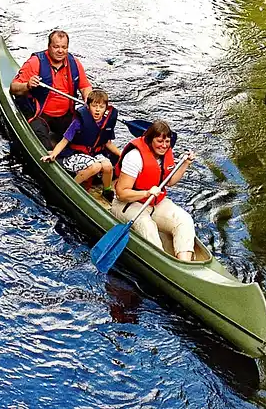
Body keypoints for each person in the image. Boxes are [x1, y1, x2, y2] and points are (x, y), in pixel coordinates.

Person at [111, 120, 197, 261]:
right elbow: (121, 193)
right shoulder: (134, 157)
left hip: (155, 203)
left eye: (167, 142)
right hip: (128, 204)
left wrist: (185, 164)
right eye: (159, 141)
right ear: (150, 140)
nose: (164, 146)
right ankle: (163, 263)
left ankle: (184, 263)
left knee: (184, 220)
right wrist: (146, 193)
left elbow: (169, 182)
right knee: (147, 226)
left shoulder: (166, 153)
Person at [10, 30, 93, 151]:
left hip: (65, 115)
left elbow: (85, 87)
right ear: (49, 46)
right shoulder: (35, 62)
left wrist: (89, 98)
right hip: (40, 114)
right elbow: (13, 88)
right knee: (43, 142)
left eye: (64, 47)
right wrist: (27, 85)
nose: (60, 51)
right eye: (56, 47)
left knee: (86, 133)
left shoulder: (74, 63)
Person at [41, 90, 122, 202]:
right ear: (88, 107)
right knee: (96, 166)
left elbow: (108, 143)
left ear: (105, 109)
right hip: (75, 154)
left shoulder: (106, 122)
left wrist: (121, 154)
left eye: (101, 107)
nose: (98, 109)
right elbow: (64, 141)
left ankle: (107, 190)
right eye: (94, 106)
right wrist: (53, 154)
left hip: (95, 153)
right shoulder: (78, 122)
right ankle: (73, 186)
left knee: (108, 165)